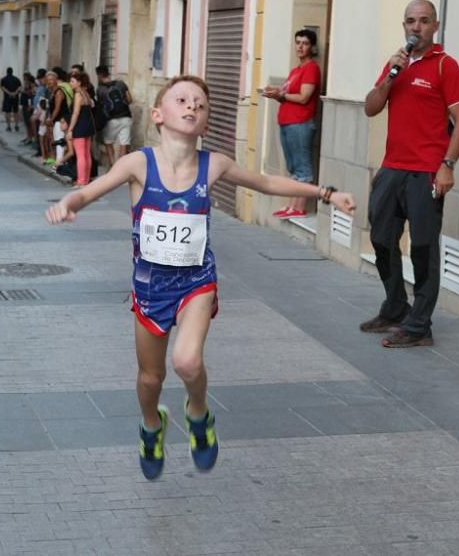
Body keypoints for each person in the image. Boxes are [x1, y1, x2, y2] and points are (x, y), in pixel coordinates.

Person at [45, 75, 355, 480]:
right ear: (158, 114)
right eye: (182, 100)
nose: (191, 106)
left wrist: (326, 194)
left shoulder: (214, 165)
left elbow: (264, 182)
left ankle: (198, 413)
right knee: (150, 378)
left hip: (196, 283)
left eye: (200, 104)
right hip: (150, 288)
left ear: (206, 122)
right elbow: (90, 191)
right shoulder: (139, 164)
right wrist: (69, 202)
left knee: (187, 362)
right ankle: (151, 426)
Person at [361, 0, 459, 348]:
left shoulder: (445, 66)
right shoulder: (397, 64)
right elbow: (371, 108)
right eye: (410, 21)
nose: (416, 27)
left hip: (426, 172)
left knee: (423, 247)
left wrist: (447, 166)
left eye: (424, 21)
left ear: (435, 26)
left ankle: (419, 324)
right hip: (393, 167)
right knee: (380, 238)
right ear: (404, 25)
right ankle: (395, 306)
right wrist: (390, 76)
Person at [263, 29, 322, 218]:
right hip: (288, 122)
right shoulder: (295, 70)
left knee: (303, 167)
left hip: (301, 122)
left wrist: (281, 94)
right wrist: (275, 94)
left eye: (305, 43)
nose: (300, 46)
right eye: (298, 42)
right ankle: (291, 206)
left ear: (312, 47)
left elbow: (304, 97)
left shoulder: (311, 68)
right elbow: (286, 96)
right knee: (293, 167)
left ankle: (299, 207)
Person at [95, 65, 133, 167]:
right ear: (108, 73)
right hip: (126, 117)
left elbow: (101, 106)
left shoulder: (100, 90)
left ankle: (112, 165)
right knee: (124, 143)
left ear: (99, 75)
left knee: (108, 142)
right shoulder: (121, 84)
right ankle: (121, 167)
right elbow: (130, 100)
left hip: (111, 120)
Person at [65, 72, 95, 186]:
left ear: (79, 83)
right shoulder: (86, 93)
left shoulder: (78, 95)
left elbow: (76, 113)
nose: (70, 83)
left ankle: (81, 181)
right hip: (88, 126)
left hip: (79, 127)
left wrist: (70, 129)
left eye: (72, 81)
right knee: (87, 154)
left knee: (81, 155)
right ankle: (86, 180)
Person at [0, 67, 22, 132]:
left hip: (7, 98)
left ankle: (9, 126)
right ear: (12, 72)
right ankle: (16, 125)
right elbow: (20, 87)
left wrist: (9, 93)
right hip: (15, 97)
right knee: (16, 111)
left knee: (7, 112)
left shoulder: (3, 79)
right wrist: (14, 93)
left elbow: (2, 87)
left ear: (7, 72)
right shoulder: (17, 79)